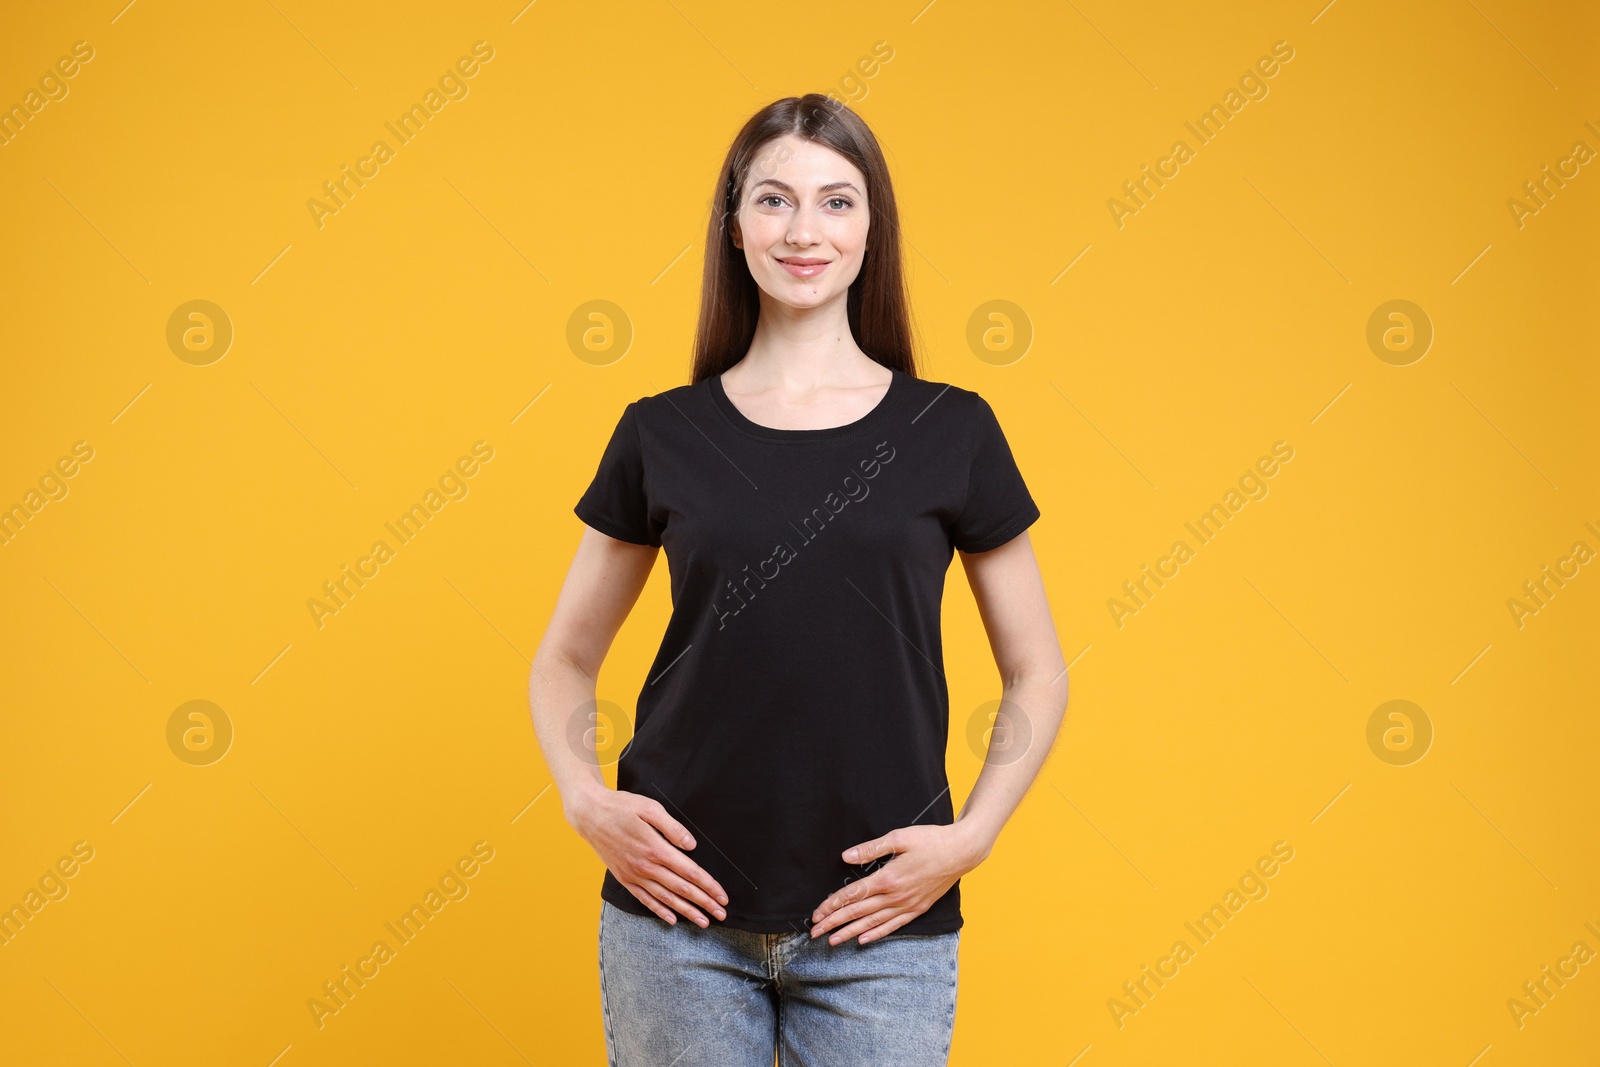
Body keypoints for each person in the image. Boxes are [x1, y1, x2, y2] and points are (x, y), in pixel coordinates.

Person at [529, 93, 1069, 1067]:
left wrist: (971, 835)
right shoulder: (664, 430)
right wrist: (583, 797)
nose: (804, 229)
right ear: (734, 228)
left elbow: (1037, 670)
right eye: (773, 201)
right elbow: (564, 657)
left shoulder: (952, 429)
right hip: (676, 915)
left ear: (872, 228)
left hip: (882, 923)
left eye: (835, 201)